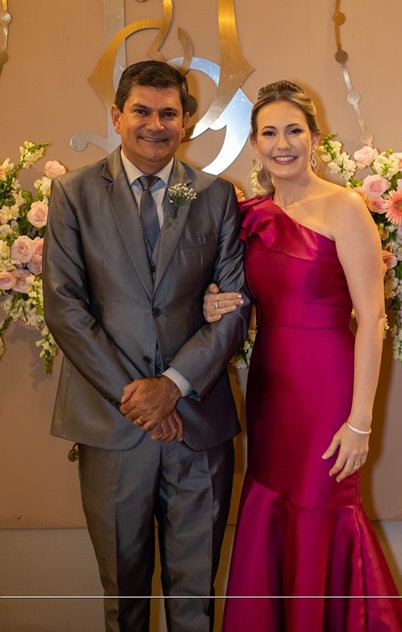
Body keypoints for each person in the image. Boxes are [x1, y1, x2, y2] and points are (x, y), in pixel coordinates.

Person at [43, 60, 251, 632]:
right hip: (113, 426)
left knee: (195, 595)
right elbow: (65, 306)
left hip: (197, 425)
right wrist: (140, 398)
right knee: (124, 593)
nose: (155, 125)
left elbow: (234, 307)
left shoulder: (215, 196)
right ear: (116, 116)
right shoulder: (74, 193)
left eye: (168, 113)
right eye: (141, 111)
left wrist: (173, 387)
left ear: (186, 121)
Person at [203, 81, 402, 631]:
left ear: (315, 139)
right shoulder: (249, 216)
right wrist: (215, 304)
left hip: (327, 392)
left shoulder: (346, 207)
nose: (283, 144)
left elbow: (372, 319)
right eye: (269, 133)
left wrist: (360, 421)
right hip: (271, 393)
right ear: (254, 144)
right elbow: (250, 305)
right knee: (271, 508)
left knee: (324, 513)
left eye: (294, 130)